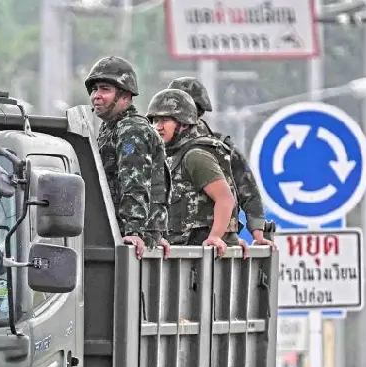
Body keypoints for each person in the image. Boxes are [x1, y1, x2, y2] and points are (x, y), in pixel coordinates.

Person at [168, 76, 273, 248]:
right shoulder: (162, 143)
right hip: (175, 241)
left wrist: (257, 232)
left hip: (207, 244)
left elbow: (247, 187)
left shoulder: (219, 147)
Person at [84, 56, 170, 257]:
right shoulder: (112, 128)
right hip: (117, 234)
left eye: (105, 89)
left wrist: (134, 231)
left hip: (129, 240)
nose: (96, 95)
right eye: (95, 89)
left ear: (125, 95)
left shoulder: (131, 129)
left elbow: (135, 181)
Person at [145, 88, 240, 257]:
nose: (157, 127)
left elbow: (225, 198)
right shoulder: (171, 154)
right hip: (185, 253)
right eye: (154, 120)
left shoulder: (194, 156)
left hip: (201, 258)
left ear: (183, 123)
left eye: (165, 120)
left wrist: (215, 238)